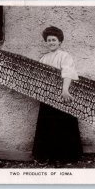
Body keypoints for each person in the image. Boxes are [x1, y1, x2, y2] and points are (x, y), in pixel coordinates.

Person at [32, 26, 83, 167]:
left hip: (61, 96)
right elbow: (39, 77)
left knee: (62, 127)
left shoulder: (64, 56)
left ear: (60, 42)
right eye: (48, 40)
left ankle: (63, 158)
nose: (51, 42)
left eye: (54, 40)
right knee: (48, 127)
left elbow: (68, 73)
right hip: (47, 98)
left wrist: (65, 90)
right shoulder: (44, 58)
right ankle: (47, 156)